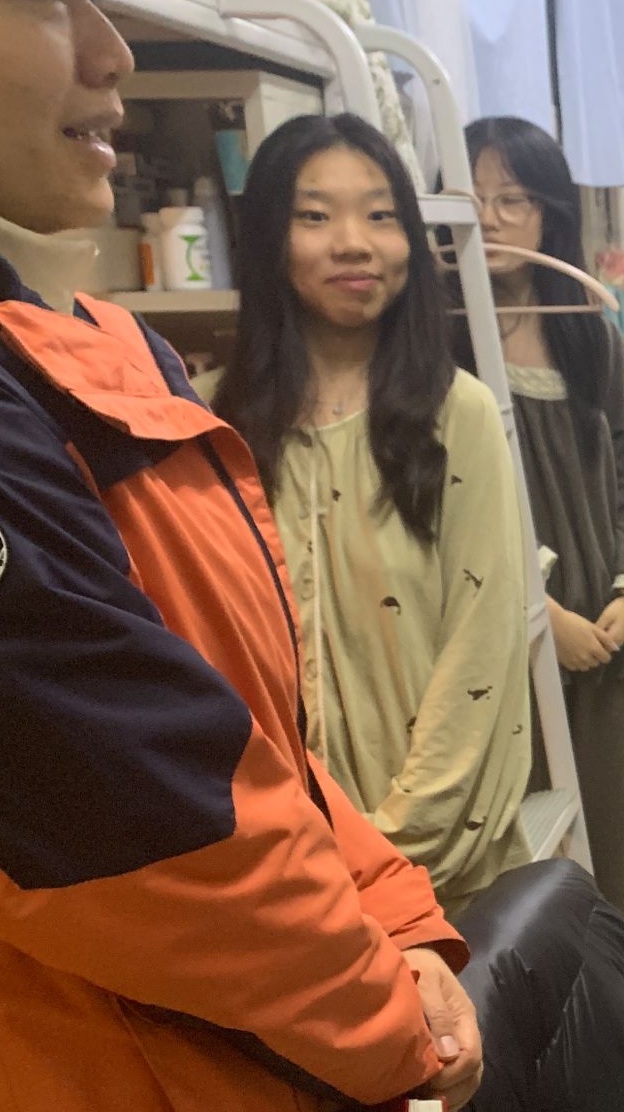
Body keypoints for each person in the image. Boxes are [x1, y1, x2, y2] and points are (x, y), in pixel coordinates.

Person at [0, 0, 481, 1112]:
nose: (111, 52)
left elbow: (253, 748)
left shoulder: (94, 348)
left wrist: (404, 920)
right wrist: (393, 1012)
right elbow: (142, 823)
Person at [211, 113, 534, 915]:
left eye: (381, 215)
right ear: (269, 238)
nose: (353, 243)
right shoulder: (217, 424)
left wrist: (387, 852)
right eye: (316, 215)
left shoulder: (457, 415)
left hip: (436, 870)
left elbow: (482, 650)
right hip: (278, 868)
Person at [464, 116, 624, 927]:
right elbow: (452, 515)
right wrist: (541, 617)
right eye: (473, 200)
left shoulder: (594, 341)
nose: (490, 219)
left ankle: (613, 980)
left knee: (608, 838)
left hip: (605, 644)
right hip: (498, 641)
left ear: (549, 213)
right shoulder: (444, 346)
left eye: (512, 200)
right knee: (514, 859)